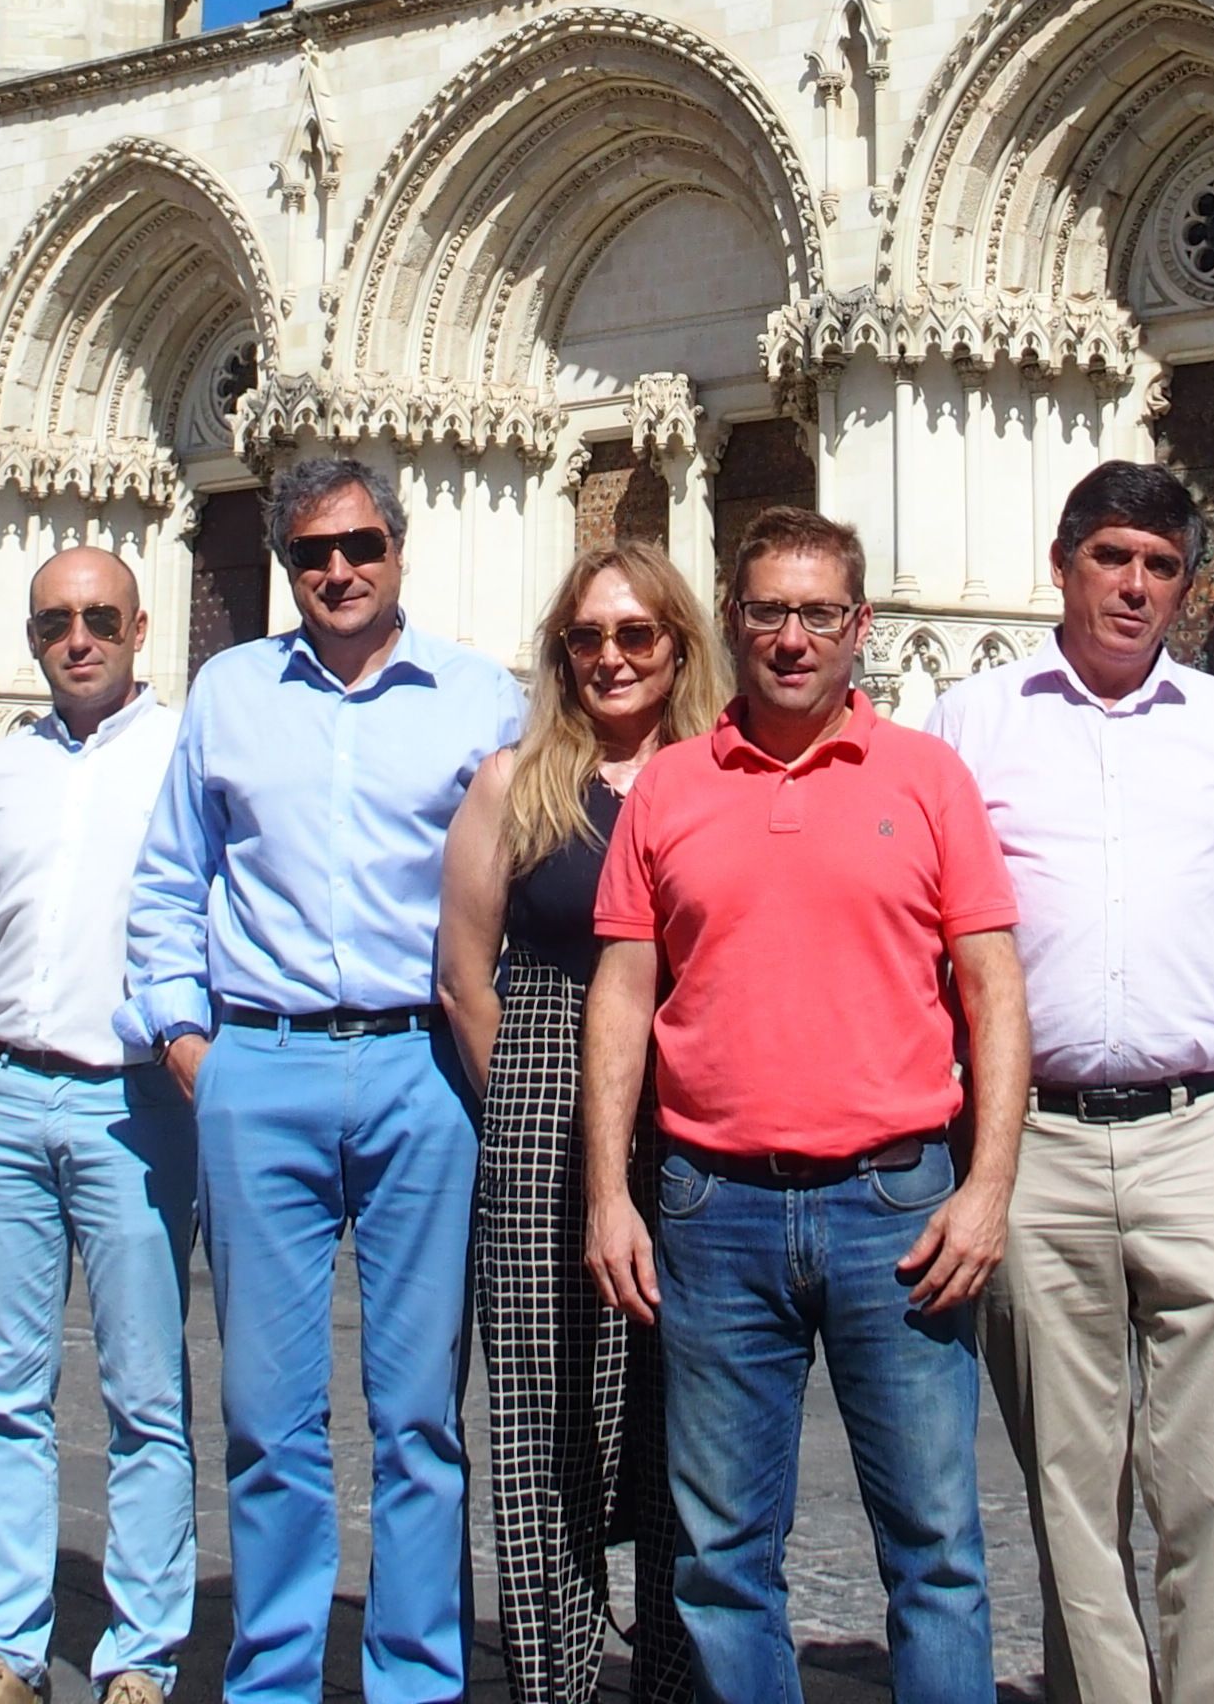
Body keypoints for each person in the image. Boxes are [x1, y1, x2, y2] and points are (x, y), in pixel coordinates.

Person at [579, 504, 1028, 1704]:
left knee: (936, 1552)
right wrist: (607, 1199)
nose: (791, 637)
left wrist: (986, 1188)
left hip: (898, 1204)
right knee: (723, 1560)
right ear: (731, 625)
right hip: (709, 1205)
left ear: (860, 626)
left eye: (817, 613)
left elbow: (990, 987)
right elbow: (621, 1000)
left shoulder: (929, 779)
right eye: (768, 612)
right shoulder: (667, 789)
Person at [923, 460, 1214, 1704]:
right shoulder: (969, 722)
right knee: (1067, 1488)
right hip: (1034, 1142)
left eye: (1160, 565)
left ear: (1187, 586)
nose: (1134, 585)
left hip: (1207, 1136)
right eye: (1112, 557)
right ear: (1060, 564)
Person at [120, 457, 523, 1704]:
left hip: (422, 1073)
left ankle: (413, 1679)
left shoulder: (482, 697)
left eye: (357, 545)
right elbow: (166, 881)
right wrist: (190, 1044)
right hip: (264, 1066)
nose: (335, 571)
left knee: (418, 1415)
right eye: (309, 554)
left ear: (401, 549)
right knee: (266, 1416)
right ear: (285, 565)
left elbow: (528, 887)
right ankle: (275, 1677)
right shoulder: (230, 690)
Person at [436, 544, 717, 1704]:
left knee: (679, 1410)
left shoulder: (720, 773)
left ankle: (664, 1677)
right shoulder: (515, 780)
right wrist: (535, 1100)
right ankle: (552, 1677)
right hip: (547, 1092)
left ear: (678, 645)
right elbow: (462, 974)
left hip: (696, 1098)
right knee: (543, 1412)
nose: (609, 658)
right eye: (586, 638)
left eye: (634, 635)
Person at [0, 549, 196, 1704]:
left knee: (146, 1394)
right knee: (4, 1386)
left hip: (132, 1101)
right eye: (56, 621)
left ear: (142, 628)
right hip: (0, 1091)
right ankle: (6, 1641)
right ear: (32, 635)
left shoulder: (189, 754)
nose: (78, 638)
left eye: (101, 618)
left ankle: (140, 1652)